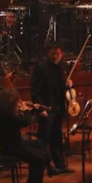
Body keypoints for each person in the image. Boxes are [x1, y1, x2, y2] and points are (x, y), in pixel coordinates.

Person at [0, 88, 51, 183]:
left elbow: (20, 120)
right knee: (39, 159)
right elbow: (25, 122)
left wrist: (29, 111)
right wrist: (26, 110)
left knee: (39, 144)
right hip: (12, 147)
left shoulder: (0, 112)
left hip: (15, 143)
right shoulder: (7, 115)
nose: (17, 105)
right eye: (15, 103)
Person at [30, 42, 72, 174]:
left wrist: (69, 84)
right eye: (52, 53)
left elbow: (62, 87)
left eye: (58, 53)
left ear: (62, 54)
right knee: (44, 139)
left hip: (58, 108)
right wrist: (41, 109)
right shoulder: (41, 68)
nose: (55, 56)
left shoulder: (62, 67)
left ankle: (60, 165)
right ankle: (42, 167)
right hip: (46, 108)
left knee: (57, 137)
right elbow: (35, 91)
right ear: (48, 54)